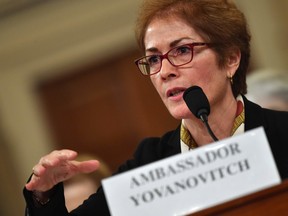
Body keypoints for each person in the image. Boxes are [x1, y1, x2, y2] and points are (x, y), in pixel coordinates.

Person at [23, 0, 288, 215]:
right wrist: (43, 196)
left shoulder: (283, 135)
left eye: (182, 50)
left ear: (230, 59)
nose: (164, 72)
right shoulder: (148, 163)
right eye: (153, 59)